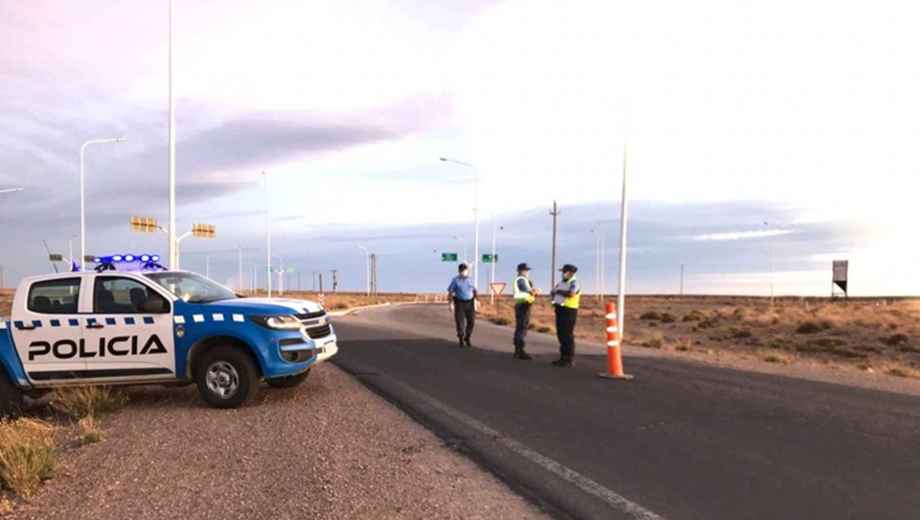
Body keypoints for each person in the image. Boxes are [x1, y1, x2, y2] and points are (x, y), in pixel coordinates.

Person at [551, 264, 581, 367]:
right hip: (560, 309)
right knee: (561, 334)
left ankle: (569, 359)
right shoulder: (561, 283)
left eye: (564, 272)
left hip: (569, 311)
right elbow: (553, 292)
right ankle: (563, 357)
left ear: (570, 273)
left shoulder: (574, 283)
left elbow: (571, 294)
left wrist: (558, 291)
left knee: (567, 335)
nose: (563, 274)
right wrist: (554, 294)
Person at [447, 263, 478, 348]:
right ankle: (461, 338)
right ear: (459, 271)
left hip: (470, 303)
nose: (463, 272)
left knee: (471, 321)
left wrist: (477, 301)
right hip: (459, 303)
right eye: (462, 270)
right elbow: (450, 292)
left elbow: (475, 290)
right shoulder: (455, 280)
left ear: (467, 271)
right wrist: (450, 303)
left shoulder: (470, 280)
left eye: (465, 270)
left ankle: (467, 337)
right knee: (460, 322)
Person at [512, 262, 537, 360]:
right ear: (519, 271)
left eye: (527, 270)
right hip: (523, 306)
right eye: (525, 270)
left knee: (521, 328)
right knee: (522, 328)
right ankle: (519, 351)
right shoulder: (521, 280)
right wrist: (535, 291)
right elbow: (529, 291)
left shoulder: (524, 280)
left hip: (523, 305)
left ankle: (518, 350)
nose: (527, 272)